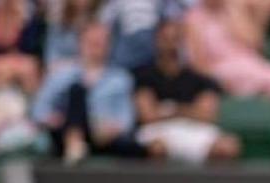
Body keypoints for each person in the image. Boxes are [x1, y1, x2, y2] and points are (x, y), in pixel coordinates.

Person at [31, 22, 151, 162]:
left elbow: (126, 119)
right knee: (77, 90)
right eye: (92, 42)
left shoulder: (120, 79)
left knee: (137, 148)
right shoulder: (61, 74)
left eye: (100, 43)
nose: (96, 47)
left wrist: (112, 129)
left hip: (103, 136)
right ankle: (74, 143)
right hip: (65, 132)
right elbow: (38, 110)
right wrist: (52, 119)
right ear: (80, 43)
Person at [133, 19, 241, 163]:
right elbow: (148, 116)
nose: (171, 45)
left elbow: (207, 115)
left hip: (194, 131)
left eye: (176, 39)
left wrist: (170, 110)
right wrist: (189, 111)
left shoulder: (200, 78)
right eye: (166, 39)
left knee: (227, 147)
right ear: (157, 41)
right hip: (158, 131)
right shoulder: (143, 76)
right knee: (156, 148)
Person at [184, 0, 270, 103]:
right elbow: (197, 63)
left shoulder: (234, 10)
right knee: (266, 78)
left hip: (251, 62)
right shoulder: (193, 19)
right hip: (220, 69)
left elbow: (257, 44)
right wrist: (214, 79)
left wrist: (234, 15)